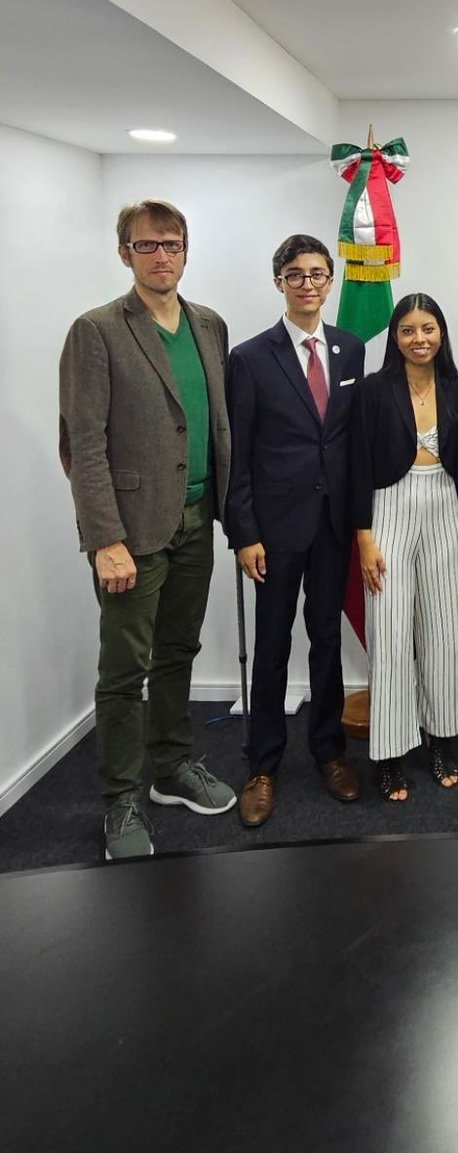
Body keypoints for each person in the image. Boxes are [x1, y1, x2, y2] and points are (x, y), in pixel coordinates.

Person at [59, 199, 236, 859]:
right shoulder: (98, 330)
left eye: (173, 243)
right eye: (147, 245)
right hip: (130, 532)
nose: (162, 256)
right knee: (123, 671)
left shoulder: (208, 325)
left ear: (187, 250)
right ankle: (120, 805)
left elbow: (216, 428)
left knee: (177, 652)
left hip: (196, 519)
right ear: (124, 253)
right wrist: (105, 538)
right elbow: (83, 443)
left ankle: (172, 768)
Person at [225, 234, 366, 828]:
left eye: (317, 273)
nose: (308, 283)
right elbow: (238, 453)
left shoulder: (351, 348)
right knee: (274, 649)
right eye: (295, 274)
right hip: (275, 531)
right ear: (278, 281)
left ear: (331, 280)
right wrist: (244, 533)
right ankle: (263, 765)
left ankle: (329, 751)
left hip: (333, 525)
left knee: (328, 644)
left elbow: (349, 441)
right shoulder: (251, 358)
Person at [350, 295, 458, 801]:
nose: (419, 339)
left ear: (441, 333)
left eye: (428, 328)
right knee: (390, 632)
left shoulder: (457, 391)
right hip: (389, 510)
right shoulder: (372, 391)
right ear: (395, 336)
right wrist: (364, 537)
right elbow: (357, 464)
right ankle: (389, 753)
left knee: (445, 630)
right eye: (408, 330)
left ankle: (441, 738)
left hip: (446, 506)